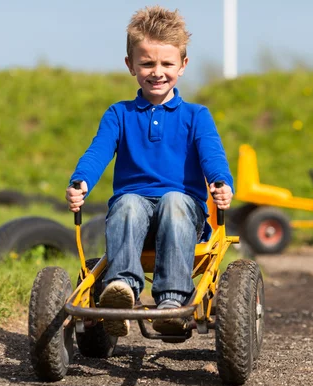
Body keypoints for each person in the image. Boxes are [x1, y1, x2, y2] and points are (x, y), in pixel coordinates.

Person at [66, 5, 234, 337]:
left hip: (182, 212)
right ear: (131, 65)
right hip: (134, 216)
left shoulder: (196, 116)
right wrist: (81, 180)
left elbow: (212, 154)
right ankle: (122, 290)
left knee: (173, 199)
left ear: (182, 66)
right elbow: (98, 150)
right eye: (147, 63)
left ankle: (172, 300)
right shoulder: (119, 114)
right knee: (127, 202)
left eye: (166, 64)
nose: (157, 72)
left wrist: (221, 182)